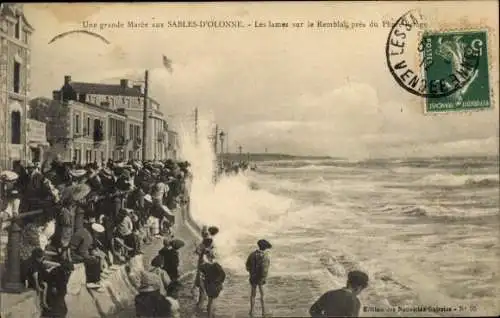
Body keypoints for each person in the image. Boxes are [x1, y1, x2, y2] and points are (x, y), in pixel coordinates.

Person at [246, 239, 272, 317]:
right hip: (260, 278)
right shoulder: (265, 256)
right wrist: (264, 277)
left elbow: (247, 265)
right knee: (262, 295)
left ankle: (251, 311)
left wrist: (251, 272)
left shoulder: (252, 254)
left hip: (253, 276)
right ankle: (263, 312)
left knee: (253, 294)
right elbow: (265, 270)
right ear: (265, 248)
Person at [199, 251, 226, 318]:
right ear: (212, 257)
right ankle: (210, 315)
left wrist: (203, 285)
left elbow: (202, 276)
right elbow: (223, 275)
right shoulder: (216, 265)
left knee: (210, 300)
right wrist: (219, 282)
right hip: (215, 285)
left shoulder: (203, 266)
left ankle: (209, 313)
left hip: (207, 285)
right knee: (213, 302)